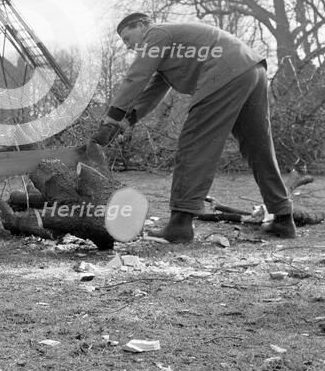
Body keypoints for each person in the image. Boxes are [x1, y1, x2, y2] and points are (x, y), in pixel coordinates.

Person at [90, 13, 295, 243]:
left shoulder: (156, 34)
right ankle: (284, 218)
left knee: (194, 145)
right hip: (251, 69)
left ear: (142, 25)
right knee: (258, 147)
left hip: (224, 72)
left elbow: (136, 77)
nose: (128, 46)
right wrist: (126, 121)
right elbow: (152, 92)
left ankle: (180, 224)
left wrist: (111, 118)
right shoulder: (169, 47)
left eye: (128, 38)